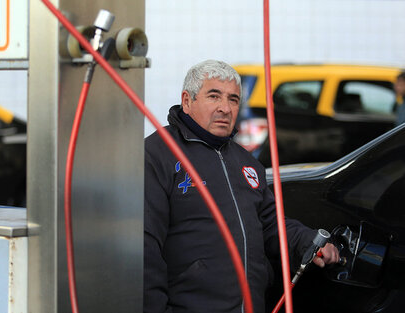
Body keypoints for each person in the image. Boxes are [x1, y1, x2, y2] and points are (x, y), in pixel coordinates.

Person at [144, 60, 339, 313]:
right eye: (214, 96)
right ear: (187, 100)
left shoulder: (247, 162)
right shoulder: (158, 154)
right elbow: (144, 246)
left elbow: (270, 224)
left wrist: (307, 241)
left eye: (233, 99)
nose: (225, 108)